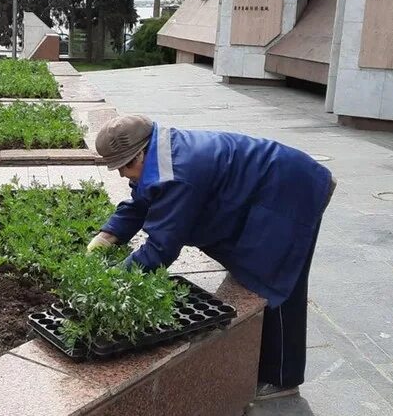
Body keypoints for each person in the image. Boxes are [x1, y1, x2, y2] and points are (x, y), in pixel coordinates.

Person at [89, 115, 336, 401]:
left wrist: (113, 281)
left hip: (291, 192)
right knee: (257, 270)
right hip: (266, 188)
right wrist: (108, 235)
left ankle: (282, 379)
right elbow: (143, 200)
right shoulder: (160, 153)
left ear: (142, 151)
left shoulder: (178, 172)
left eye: (125, 165)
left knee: (279, 279)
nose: (122, 174)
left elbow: (161, 248)